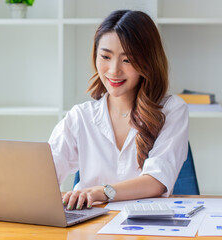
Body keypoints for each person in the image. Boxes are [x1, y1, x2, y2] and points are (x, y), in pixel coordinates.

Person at [48, 10, 188, 210]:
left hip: (146, 227)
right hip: (89, 225)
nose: (114, 70)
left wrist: (101, 192)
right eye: (105, 56)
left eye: (127, 60)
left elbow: (156, 181)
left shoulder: (172, 110)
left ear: (147, 62)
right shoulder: (81, 116)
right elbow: (47, 170)